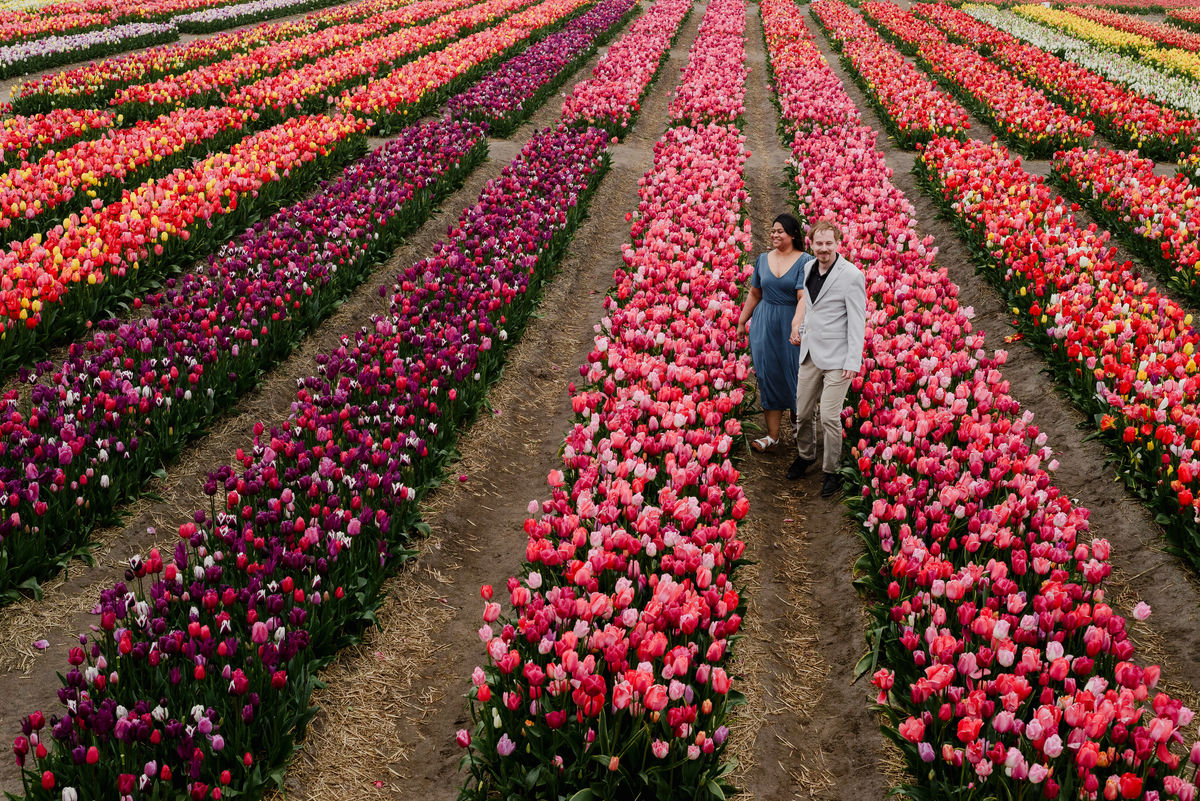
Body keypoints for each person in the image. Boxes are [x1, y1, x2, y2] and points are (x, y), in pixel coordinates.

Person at [787, 219, 866, 497]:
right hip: (810, 352)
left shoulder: (852, 275)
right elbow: (810, 306)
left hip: (838, 359)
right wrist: (800, 328)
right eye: (818, 243)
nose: (823, 248)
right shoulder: (808, 267)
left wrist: (853, 361)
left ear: (838, 243)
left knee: (830, 417)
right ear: (811, 243)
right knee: (803, 412)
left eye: (828, 243)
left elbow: (858, 321)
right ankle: (806, 455)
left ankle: (831, 471)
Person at [736, 214, 813, 452]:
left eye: (780, 231)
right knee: (768, 375)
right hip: (764, 324)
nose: (774, 235)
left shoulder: (805, 261)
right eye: (772, 231)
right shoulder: (762, 259)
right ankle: (773, 435)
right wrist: (741, 321)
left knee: (795, 374)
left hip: (792, 322)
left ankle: (798, 427)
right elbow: (755, 293)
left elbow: (802, 297)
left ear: (792, 234)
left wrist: (796, 325)